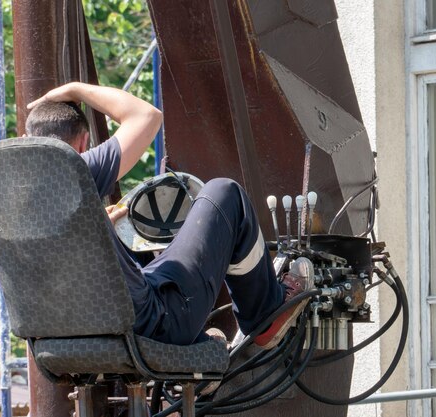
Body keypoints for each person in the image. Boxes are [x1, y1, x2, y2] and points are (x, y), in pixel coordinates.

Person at [25, 82, 313, 348]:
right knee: (224, 193)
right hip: (155, 325)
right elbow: (145, 116)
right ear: (83, 143)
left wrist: (102, 229)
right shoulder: (74, 168)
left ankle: (200, 351)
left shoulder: (8, 191)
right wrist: (76, 89)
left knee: (142, 262)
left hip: (64, 339)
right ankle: (266, 313)